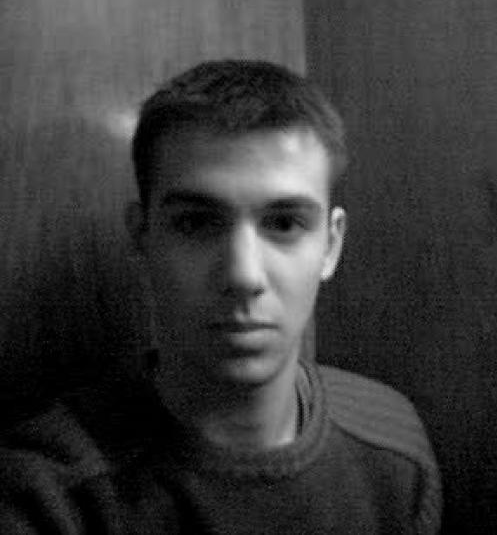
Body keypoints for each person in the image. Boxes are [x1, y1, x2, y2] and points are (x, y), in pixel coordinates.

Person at [0, 60, 441, 533]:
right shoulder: (47, 496)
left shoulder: (394, 450)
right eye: (195, 222)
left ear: (331, 246)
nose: (244, 275)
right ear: (143, 237)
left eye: (285, 223)